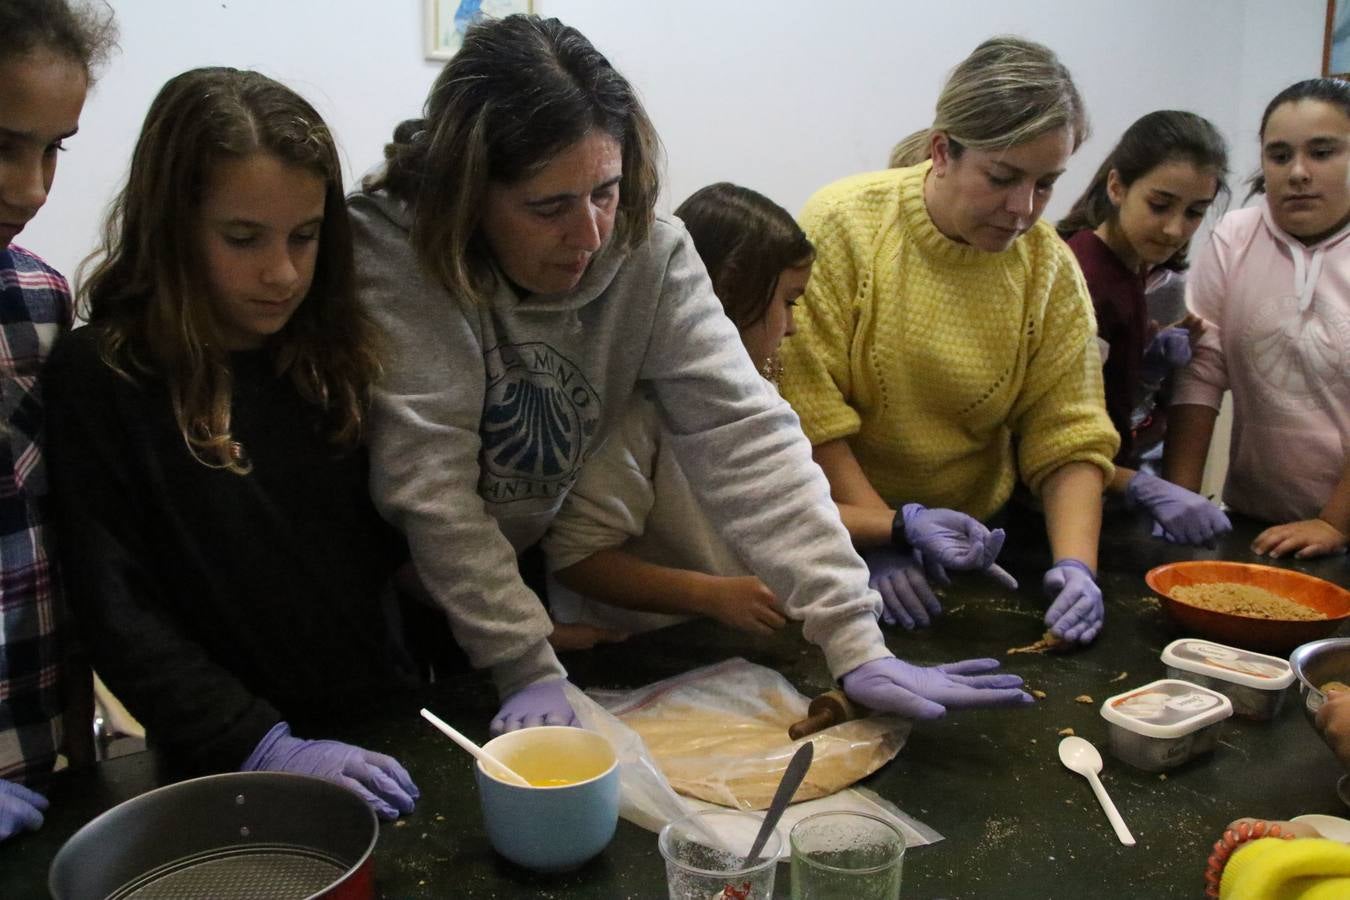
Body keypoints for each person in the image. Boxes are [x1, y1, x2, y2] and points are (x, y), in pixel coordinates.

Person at [350, 14, 1034, 736]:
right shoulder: (397, 249)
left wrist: (853, 637)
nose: (590, 235)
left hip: (504, 567)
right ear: (468, 193)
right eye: (548, 207)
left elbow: (748, 438)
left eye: (605, 192)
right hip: (373, 577)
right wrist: (523, 662)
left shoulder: (650, 252)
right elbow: (432, 487)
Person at [44, 68, 420, 822]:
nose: (282, 273)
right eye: (242, 238)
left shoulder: (334, 356)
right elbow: (116, 609)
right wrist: (257, 741)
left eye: (305, 236)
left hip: (380, 727)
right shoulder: (106, 376)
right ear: (172, 225)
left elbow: (387, 555)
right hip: (221, 762)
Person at [544, 183, 1013, 636]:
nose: (791, 327)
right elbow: (576, 559)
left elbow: (783, 505)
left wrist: (900, 526)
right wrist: (709, 595)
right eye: (787, 302)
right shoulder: (634, 411)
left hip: (718, 634)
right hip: (637, 645)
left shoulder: (754, 392)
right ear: (726, 294)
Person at [781, 36, 1119, 647]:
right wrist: (882, 533)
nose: (1023, 209)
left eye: (1046, 184)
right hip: (841, 532)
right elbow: (810, 408)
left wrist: (1076, 565)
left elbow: (1069, 429)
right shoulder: (844, 226)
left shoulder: (1048, 268)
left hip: (973, 542)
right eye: (1002, 177)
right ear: (942, 151)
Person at [0, 0, 115, 844]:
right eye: (2, 146)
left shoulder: (41, 303)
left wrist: (81, 734)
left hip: (34, 755)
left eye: (52, 150)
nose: (32, 189)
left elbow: (53, 537)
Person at [1165, 78, 1350, 560]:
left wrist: (1334, 522)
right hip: (1256, 521)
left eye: (1323, 152)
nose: (1298, 172)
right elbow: (1201, 373)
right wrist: (1178, 501)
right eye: (1280, 155)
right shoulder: (1235, 237)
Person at [1056, 110, 1233, 547]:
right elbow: (1053, 431)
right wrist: (1138, 484)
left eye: (1195, 212)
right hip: (1059, 505)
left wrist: (1145, 369)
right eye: (1160, 205)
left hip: (1097, 488)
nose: (1175, 229)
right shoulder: (1086, 278)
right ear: (1116, 187)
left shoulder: (1131, 268)